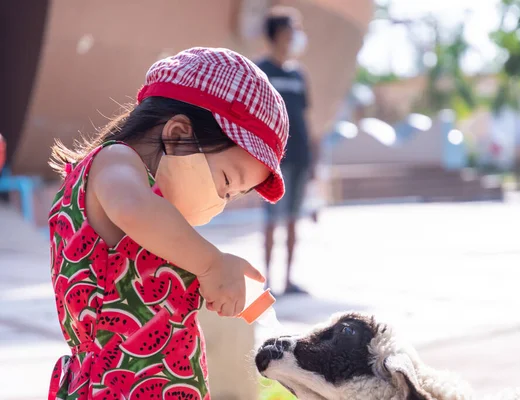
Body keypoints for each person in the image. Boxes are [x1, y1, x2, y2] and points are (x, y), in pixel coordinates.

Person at [47, 47, 289, 399]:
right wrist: (210, 264)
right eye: (225, 181)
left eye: (232, 195)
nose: (219, 202)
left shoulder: (161, 229)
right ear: (177, 134)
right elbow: (131, 206)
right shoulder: (115, 163)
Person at [257, 6, 318, 295]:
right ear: (280, 33)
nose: (297, 35)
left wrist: (315, 159)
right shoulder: (261, 71)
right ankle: (268, 279)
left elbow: (306, 119)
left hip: (300, 157)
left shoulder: (299, 75)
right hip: (273, 161)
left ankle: (288, 279)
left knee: (294, 219)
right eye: (294, 28)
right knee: (271, 220)